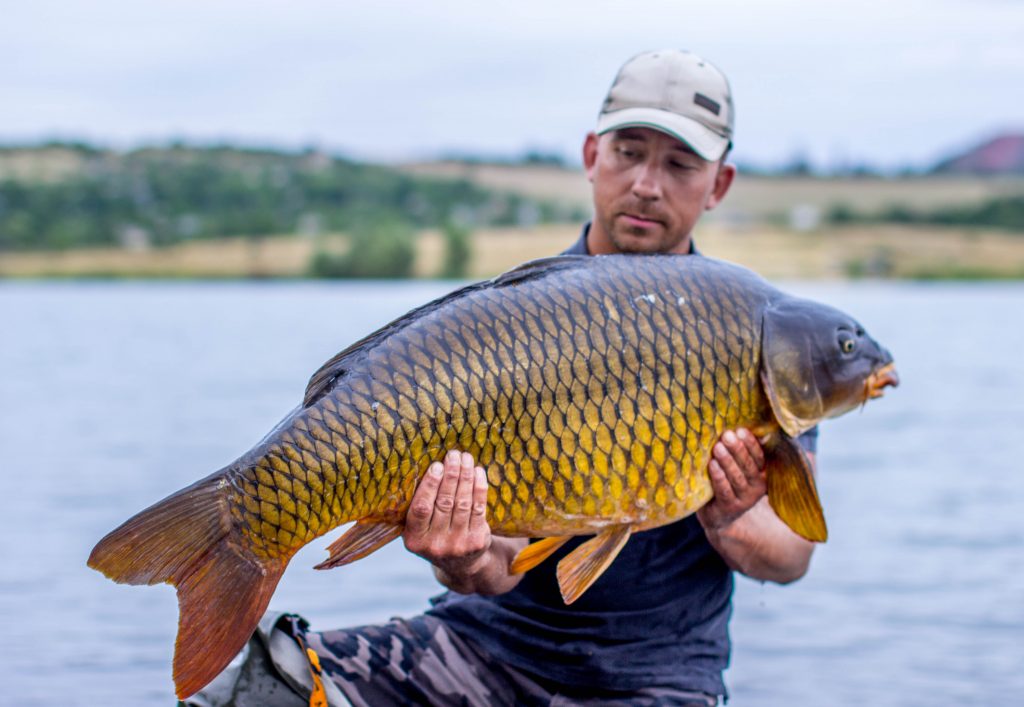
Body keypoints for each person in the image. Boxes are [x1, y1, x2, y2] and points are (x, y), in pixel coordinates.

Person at [185, 49, 818, 707]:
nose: (647, 184)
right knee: (248, 692)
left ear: (718, 184)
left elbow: (791, 553)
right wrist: (462, 556)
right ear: (591, 155)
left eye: (679, 164)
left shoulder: (756, 330)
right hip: (481, 650)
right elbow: (495, 562)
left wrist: (734, 515)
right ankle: (240, 530)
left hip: (655, 679)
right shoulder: (519, 319)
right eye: (629, 152)